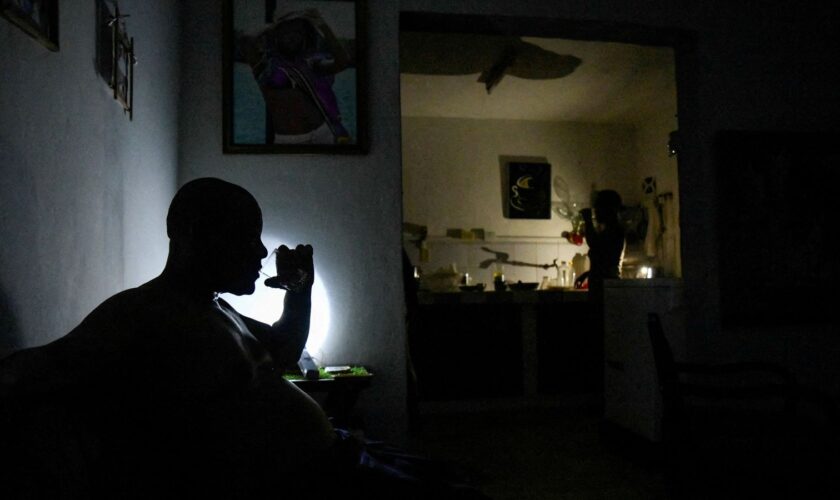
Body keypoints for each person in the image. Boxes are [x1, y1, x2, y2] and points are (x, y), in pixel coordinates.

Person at [1, 178, 488, 500]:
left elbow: (282, 352)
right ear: (196, 234)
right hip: (302, 483)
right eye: (245, 236)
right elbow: (38, 368)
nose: (260, 251)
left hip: (333, 457)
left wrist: (300, 294)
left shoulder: (216, 307)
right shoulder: (140, 313)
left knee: (460, 481)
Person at [238, 9, 351, 145]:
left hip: (323, 133)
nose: (293, 36)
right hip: (289, 140)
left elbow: (343, 62)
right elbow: (247, 40)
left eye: (297, 32)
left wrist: (322, 25)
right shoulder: (265, 67)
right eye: (287, 32)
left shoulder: (311, 63)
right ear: (277, 35)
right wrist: (274, 25)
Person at [575, 189, 626, 289]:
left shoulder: (614, 231)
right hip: (603, 285)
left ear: (607, 209)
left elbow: (595, 245)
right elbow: (603, 263)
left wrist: (588, 221)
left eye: (598, 207)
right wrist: (587, 274)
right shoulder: (612, 230)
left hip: (605, 287)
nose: (595, 211)